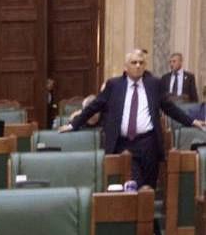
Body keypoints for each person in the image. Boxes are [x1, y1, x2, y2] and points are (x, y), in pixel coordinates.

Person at [60, 49, 206, 191]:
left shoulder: (154, 84)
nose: (138, 66)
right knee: (133, 185)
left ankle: (146, 206)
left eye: (141, 63)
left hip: (148, 143)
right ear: (125, 67)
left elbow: (169, 108)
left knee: (149, 188)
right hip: (123, 144)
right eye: (134, 62)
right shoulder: (114, 85)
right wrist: (74, 124)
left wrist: (192, 121)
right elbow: (94, 106)